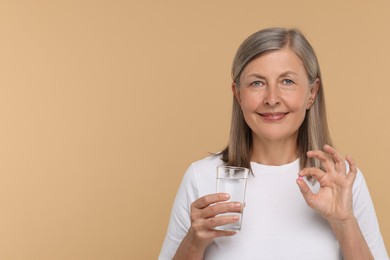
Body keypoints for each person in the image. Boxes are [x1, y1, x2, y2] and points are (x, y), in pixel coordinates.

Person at [158, 28, 388, 260]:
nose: (272, 99)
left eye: (287, 81)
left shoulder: (343, 182)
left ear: (312, 92)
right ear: (238, 94)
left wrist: (345, 223)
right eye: (257, 83)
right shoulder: (202, 177)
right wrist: (194, 242)